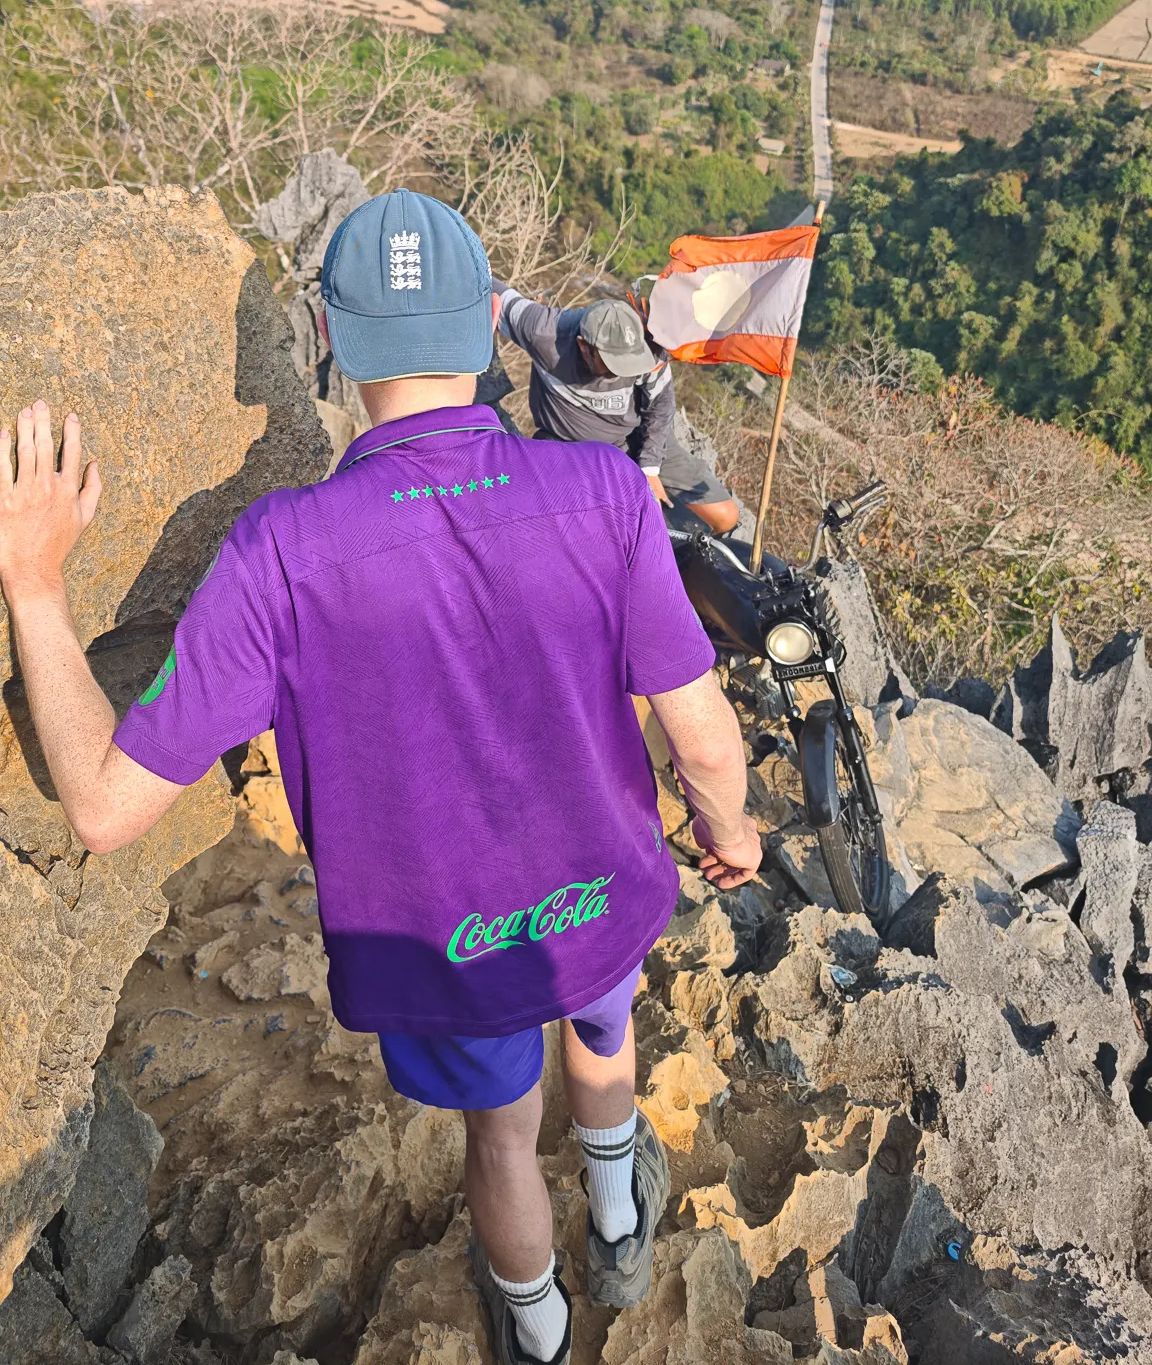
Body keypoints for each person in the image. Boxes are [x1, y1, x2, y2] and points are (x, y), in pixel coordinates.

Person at [0, 189, 762, 1365]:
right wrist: (735, 830)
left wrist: (38, 586)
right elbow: (705, 740)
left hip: (448, 944)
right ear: (482, 330)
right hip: (602, 885)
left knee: (503, 1135)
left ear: (336, 342)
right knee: (603, 1032)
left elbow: (100, 807)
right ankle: (619, 1213)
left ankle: (542, 1330)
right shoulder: (607, 494)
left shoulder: (280, 552)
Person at [493, 280, 741, 538]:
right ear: (583, 346)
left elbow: (661, 406)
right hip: (567, 445)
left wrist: (650, 469)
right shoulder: (544, 332)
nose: (623, 371)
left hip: (637, 439)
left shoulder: (649, 343)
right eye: (613, 364)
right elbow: (486, 286)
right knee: (566, 532)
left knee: (725, 517)